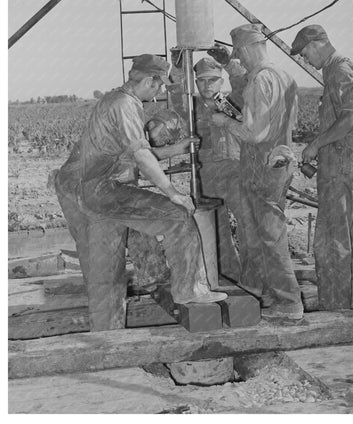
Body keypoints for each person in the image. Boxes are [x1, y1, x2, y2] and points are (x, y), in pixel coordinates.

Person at [56, 54, 226, 332]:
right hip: (100, 189)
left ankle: (107, 335)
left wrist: (173, 150)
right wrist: (172, 192)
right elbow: (141, 155)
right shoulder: (125, 105)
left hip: (84, 190)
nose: (160, 92)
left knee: (105, 271)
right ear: (149, 81)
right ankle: (189, 290)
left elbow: (130, 150)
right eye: (159, 86)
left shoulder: (113, 99)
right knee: (177, 215)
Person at [210, 23, 303, 321]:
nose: (240, 61)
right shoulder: (284, 75)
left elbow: (256, 132)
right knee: (269, 234)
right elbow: (286, 123)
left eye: (239, 55)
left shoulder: (260, 80)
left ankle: (289, 303)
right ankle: (270, 294)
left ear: (247, 49)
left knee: (271, 237)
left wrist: (225, 122)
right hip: (280, 162)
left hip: (262, 166)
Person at [290, 24, 353, 312]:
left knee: (332, 241)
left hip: (340, 167)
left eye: (304, 54)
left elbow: (349, 119)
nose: (304, 60)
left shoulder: (340, 70)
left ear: (316, 44)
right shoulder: (337, 71)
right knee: (345, 237)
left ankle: (337, 311)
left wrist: (314, 145)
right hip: (339, 164)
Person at [166, 55, 245, 282]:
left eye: (213, 80)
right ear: (196, 83)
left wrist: (230, 63)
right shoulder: (191, 107)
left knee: (247, 226)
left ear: (222, 81)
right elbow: (177, 92)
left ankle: (252, 279)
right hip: (207, 174)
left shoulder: (234, 101)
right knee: (216, 229)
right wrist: (180, 67)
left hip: (236, 172)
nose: (207, 85)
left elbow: (243, 83)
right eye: (201, 81)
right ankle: (228, 274)